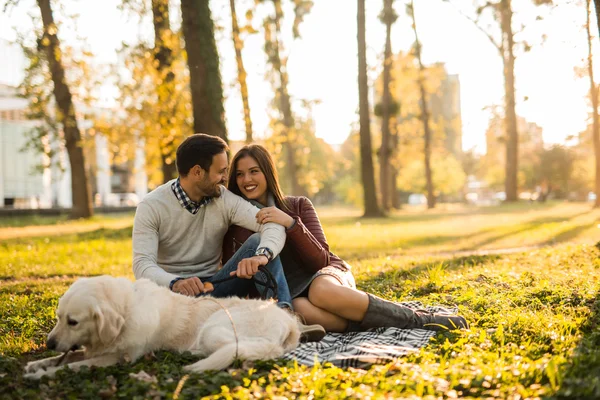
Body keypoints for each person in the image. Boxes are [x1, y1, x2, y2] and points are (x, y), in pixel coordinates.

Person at [223, 144, 468, 333]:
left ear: (267, 172)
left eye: (254, 171)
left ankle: (421, 320)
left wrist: (290, 223)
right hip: (292, 294)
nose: (247, 180)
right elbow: (236, 280)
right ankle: (374, 323)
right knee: (299, 310)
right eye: (240, 174)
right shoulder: (234, 226)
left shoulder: (298, 205)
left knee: (321, 293)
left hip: (325, 274)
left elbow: (321, 259)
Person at [132, 133, 325, 341]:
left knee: (257, 243)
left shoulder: (222, 199)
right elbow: (142, 265)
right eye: (221, 171)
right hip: (171, 296)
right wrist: (175, 282)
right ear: (198, 172)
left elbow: (271, 224)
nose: (226, 178)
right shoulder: (151, 206)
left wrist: (262, 255)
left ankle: (285, 321)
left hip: (216, 287)